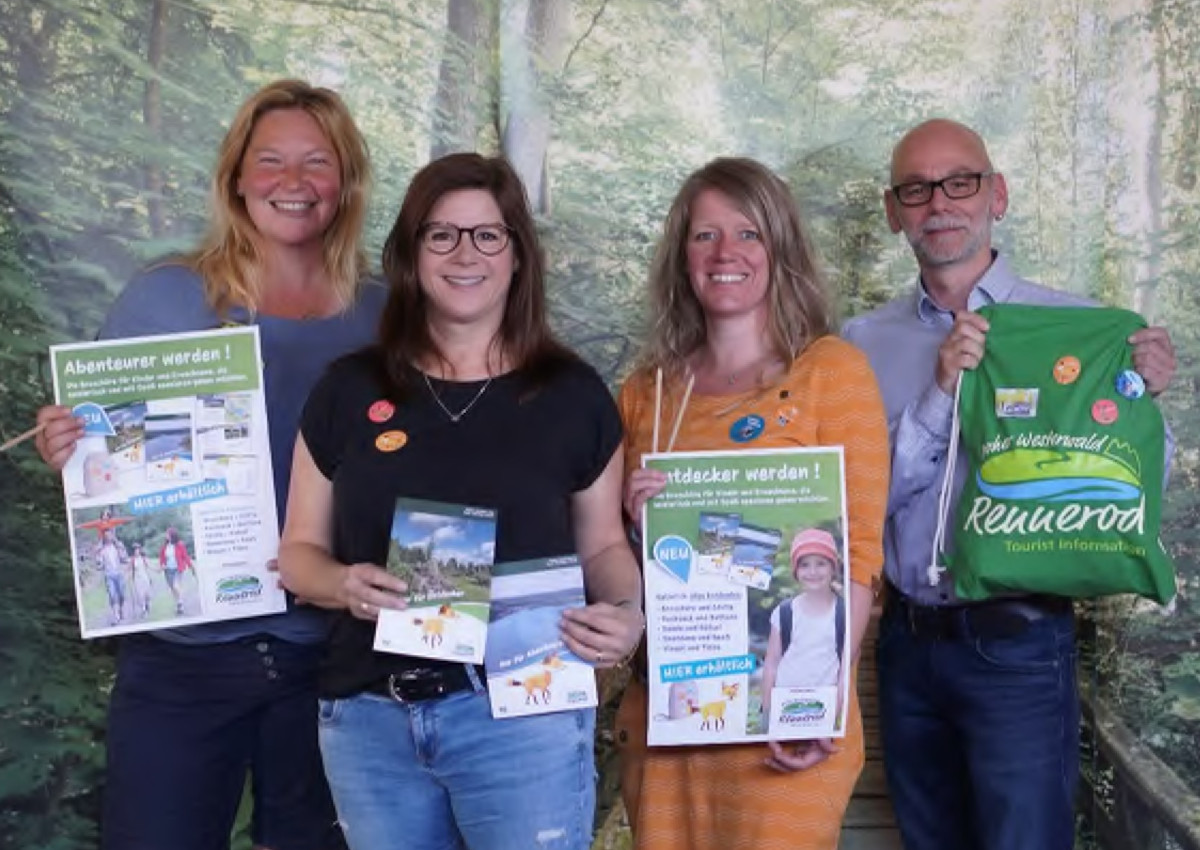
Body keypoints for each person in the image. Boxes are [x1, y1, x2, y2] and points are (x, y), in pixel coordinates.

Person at [34, 79, 381, 850]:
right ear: (235, 177)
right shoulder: (164, 299)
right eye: (270, 161)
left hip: (333, 659)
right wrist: (71, 445)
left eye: (316, 162)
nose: (292, 184)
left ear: (347, 180)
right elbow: (104, 469)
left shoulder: (385, 316)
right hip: (181, 659)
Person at [277, 152, 644, 850]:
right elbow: (297, 555)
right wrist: (342, 585)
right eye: (441, 234)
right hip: (369, 721)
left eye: (487, 234)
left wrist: (628, 615)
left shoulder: (574, 396)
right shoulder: (346, 391)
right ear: (412, 254)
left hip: (522, 718)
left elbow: (603, 545)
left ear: (516, 255)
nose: (464, 253)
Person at [842, 118, 1178, 850]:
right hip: (902, 645)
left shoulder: (1086, 328)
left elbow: (1136, 490)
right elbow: (856, 503)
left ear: (998, 194)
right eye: (916, 189)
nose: (940, 203)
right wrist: (939, 393)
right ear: (893, 209)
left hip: (1018, 644)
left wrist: (1143, 403)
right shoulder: (858, 347)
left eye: (960, 182)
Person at [616, 157, 890, 850]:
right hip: (675, 707)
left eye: (748, 234)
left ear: (781, 249)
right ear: (681, 255)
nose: (726, 254)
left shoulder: (833, 373)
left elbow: (857, 558)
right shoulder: (646, 392)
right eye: (705, 236)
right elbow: (614, 562)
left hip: (786, 712)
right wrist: (629, 516)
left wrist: (812, 706)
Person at [760, 528, 845, 707]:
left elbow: (846, 670)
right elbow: (771, 664)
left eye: (821, 563)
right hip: (785, 707)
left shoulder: (843, 613)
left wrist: (835, 714)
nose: (812, 571)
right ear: (796, 571)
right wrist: (768, 712)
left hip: (823, 708)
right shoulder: (785, 612)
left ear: (833, 568)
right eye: (804, 565)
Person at [96, 528, 130, 625]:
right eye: (106, 536)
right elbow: (100, 563)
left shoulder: (117, 546)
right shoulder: (102, 550)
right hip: (109, 575)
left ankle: (121, 609)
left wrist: (122, 550)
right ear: (104, 537)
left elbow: (124, 558)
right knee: (112, 595)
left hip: (119, 574)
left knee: (122, 595)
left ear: (112, 536)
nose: (108, 537)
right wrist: (99, 563)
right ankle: (116, 617)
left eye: (109, 535)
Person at [159, 526, 195, 615]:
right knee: (173, 589)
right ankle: (179, 604)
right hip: (168, 571)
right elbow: (162, 558)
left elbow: (185, 556)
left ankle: (180, 602)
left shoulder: (180, 545)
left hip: (178, 569)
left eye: (167, 533)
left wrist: (191, 567)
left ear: (172, 535)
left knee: (176, 586)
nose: (166, 535)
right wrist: (162, 565)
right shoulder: (164, 547)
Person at [128, 542, 153, 618]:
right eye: (135, 550)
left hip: (145, 578)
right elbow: (129, 569)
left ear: (140, 550)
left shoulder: (143, 558)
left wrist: (151, 576)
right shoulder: (132, 560)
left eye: (138, 549)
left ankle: (147, 605)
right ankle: (143, 610)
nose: (136, 551)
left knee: (147, 595)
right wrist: (128, 577)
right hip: (137, 580)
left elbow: (148, 567)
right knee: (140, 595)